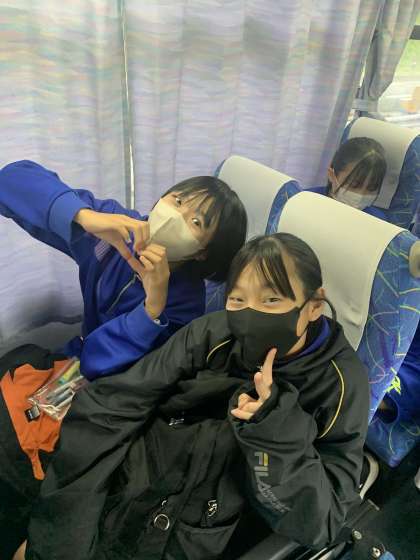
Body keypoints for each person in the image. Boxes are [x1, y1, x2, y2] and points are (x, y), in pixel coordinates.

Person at [24, 233, 370, 559]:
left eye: (271, 300)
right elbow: (116, 401)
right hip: (137, 473)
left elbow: (322, 520)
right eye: (238, 299)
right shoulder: (214, 333)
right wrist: (64, 531)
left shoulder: (340, 384)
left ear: (314, 306)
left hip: (203, 524)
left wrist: (272, 429)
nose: (249, 314)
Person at [0, 160, 247, 379]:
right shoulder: (115, 226)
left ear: (203, 252)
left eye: (196, 222)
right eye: (178, 201)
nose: (174, 217)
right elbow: (10, 179)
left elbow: (109, 366)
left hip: (109, 385)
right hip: (72, 358)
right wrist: (83, 216)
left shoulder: (186, 304)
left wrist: (151, 311)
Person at [308, 136, 387, 220]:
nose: (361, 195)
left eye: (371, 188)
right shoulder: (305, 202)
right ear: (331, 175)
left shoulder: (378, 221)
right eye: (354, 185)